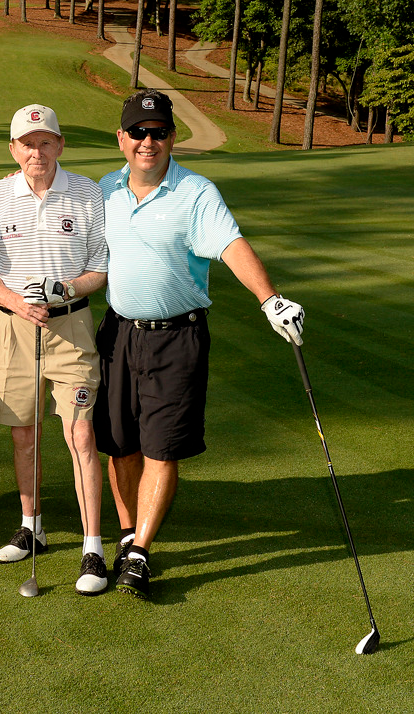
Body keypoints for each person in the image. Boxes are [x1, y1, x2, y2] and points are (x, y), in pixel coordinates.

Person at [97, 89, 305, 599]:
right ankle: (127, 536)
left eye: (160, 132)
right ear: (121, 137)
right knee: (119, 444)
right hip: (118, 334)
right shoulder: (105, 189)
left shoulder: (196, 192)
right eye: (139, 132)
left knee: (161, 448)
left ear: (172, 138)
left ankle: (140, 552)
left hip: (177, 336)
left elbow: (231, 245)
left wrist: (270, 300)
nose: (149, 142)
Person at [0, 104, 110, 595]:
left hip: (71, 329)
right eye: (27, 144)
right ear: (13, 149)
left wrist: (66, 289)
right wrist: (18, 303)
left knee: (81, 435)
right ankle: (33, 527)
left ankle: (93, 547)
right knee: (24, 435)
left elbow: (101, 267)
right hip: (13, 330)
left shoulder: (88, 193)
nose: (37, 152)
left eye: (45, 142)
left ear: (60, 144)